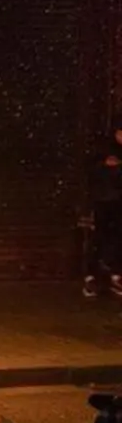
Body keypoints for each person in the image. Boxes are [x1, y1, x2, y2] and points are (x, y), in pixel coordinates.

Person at [85, 120, 122, 298]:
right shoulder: (103, 152)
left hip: (115, 202)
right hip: (104, 202)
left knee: (115, 238)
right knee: (100, 238)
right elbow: (92, 174)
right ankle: (93, 275)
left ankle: (114, 274)